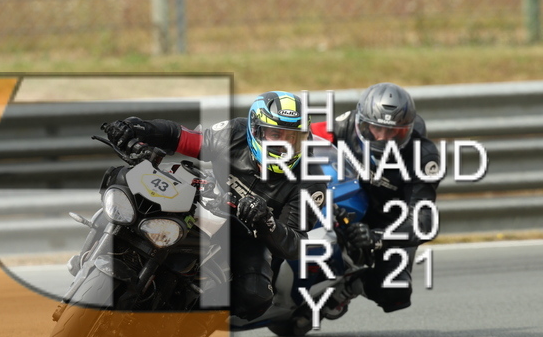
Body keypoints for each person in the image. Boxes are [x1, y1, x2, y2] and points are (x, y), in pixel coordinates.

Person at [102, 91, 327, 320]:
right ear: (255, 130)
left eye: (293, 137)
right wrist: (137, 128)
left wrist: (266, 220)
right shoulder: (235, 133)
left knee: (255, 296)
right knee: (126, 182)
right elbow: (181, 136)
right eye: (276, 134)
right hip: (204, 200)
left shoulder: (311, 181)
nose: (284, 145)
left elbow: (295, 244)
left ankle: (186, 317)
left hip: (250, 234)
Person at [311, 82, 441, 317]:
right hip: (343, 203)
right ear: (361, 122)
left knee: (395, 292)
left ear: (407, 130)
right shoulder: (341, 127)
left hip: (389, 223)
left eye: (395, 132)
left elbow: (423, 220)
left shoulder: (424, 156)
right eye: (375, 128)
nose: (383, 138)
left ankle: (348, 288)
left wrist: (380, 238)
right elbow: (297, 140)